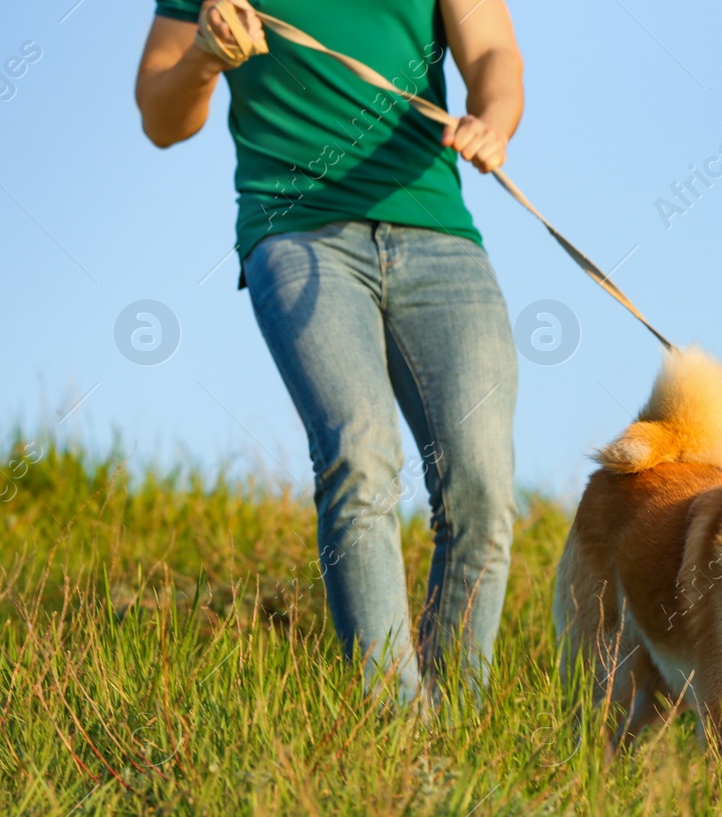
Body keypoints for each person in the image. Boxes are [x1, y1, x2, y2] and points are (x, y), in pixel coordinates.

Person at [135, 0, 525, 708]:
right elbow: (160, 115)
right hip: (296, 229)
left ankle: (459, 726)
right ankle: (399, 734)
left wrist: (491, 118)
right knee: (359, 448)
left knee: (484, 482)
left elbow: (493, 51)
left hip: (438, 232)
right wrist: (204, 56)